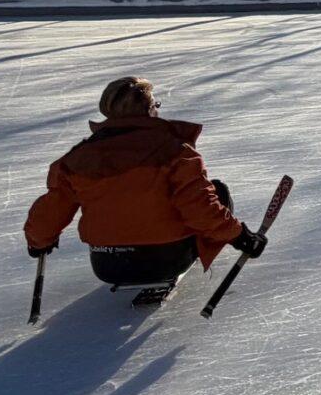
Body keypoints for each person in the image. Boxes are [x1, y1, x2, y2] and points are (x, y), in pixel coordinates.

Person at [24, 76, 264, 291]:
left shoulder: (77, 159)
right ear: (149, 110)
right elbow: (201, 206)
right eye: (156, 105)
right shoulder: (175, 151)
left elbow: (52, 208)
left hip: (107, 264)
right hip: (166, 259)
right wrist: (240, 236)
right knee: (217, 190)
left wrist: (39, 242)